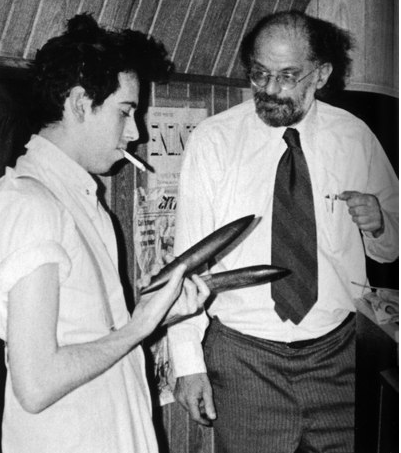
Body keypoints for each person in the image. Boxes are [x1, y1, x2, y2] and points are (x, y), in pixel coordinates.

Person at [167, 11, 398, 453]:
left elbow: (390, 250)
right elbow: (187, 262)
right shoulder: (214, 141)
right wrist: (187, 362)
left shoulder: (354, 137)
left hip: (339, 357)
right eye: (260, 73)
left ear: (321, 74)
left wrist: (381, 224)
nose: (271, 89)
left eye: (288, 76)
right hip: (244, 361)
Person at [0, 14, 210, 453]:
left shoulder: (79, 200)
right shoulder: (34, 205)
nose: (136, 132)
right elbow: (35, 385)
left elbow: (89, 336)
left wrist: (159, 314)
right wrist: (140, 327)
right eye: (125, 112)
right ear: (80, 104)